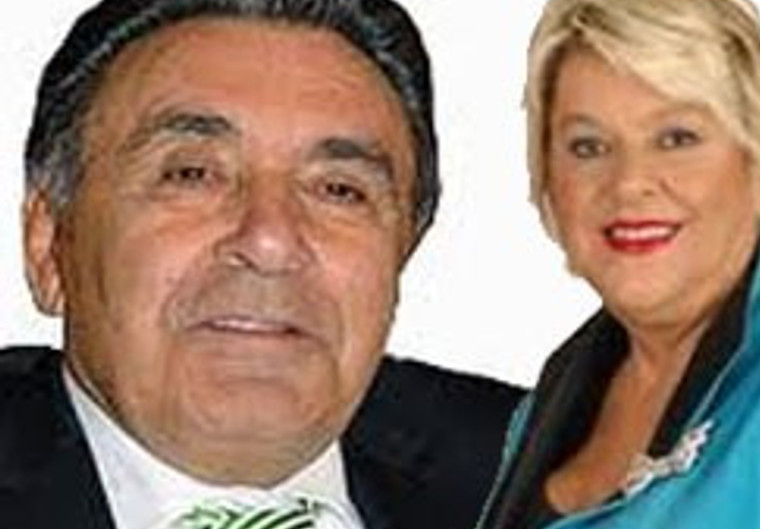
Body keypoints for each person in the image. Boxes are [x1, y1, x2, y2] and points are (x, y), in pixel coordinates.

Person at [0, 0, 523, 528]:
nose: (270, 241)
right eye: (191, 174)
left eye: (339, 190)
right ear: (48, 245)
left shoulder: (539, 472)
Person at [477, 0, 760, 527]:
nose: (629, 182)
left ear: (757, 158)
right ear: (547, 179)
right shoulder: (546, 410)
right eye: (588, 146)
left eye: (676, 138)